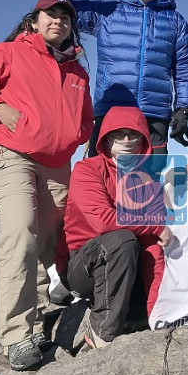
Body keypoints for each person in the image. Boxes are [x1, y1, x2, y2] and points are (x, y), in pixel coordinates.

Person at [0, 0, 93, 371]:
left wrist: (74, 135)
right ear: (34, 21)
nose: (59, 21)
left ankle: (42, 318)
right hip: (13, 157)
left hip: (58, 165)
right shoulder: (11, 52)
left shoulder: (78, 71)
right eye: (51, 14)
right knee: (19, 234)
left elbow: (86, 120)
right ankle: (16, 334)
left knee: (48, 243)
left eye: (65, 17)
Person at [50, 0, 188, 156]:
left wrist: (183, 108)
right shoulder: (107, 13)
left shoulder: (176, 21)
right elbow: (58, 7)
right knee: (102, 180)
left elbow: (185, 67)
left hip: (154, 115)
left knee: (149, 183)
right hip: (111, 110)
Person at [60, 105, 173, 349]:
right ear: (105, 139)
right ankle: (101, 331)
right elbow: (103, 220)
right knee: (121, 239)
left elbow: (153, 246)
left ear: (144, 139)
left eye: (133, 134)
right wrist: (153, 227)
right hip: (85, 267)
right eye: (117, 134)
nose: (126, 140)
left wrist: (156, 312)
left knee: (145, 246)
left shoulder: (148, 182)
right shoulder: (87, 170)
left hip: (126, 267)